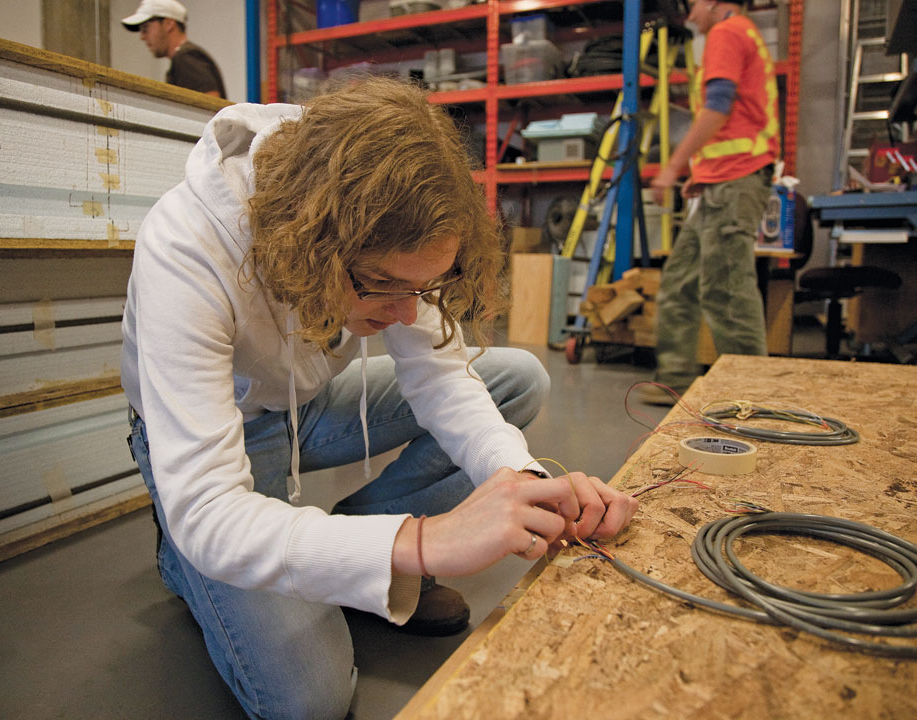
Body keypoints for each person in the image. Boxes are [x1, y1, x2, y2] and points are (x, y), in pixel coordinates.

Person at [122, 77, 639, 719]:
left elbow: (444, 380)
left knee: (517, 380)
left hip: (303, 403)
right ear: (310, 241)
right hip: (209, 441)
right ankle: (185, 563)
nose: (403, 314)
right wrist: (422, 542)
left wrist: (527, 483)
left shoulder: (389, 223)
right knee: (310, 701)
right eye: (381, 287)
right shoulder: (187, 244)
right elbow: (207, 507)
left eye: (421, 289)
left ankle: (352, 549)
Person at [643, 0, 778, 405]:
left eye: (693, 5)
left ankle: (748, 393)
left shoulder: (727, 32)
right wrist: (702, 174)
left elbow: (719, 107)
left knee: (728, 290)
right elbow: (736, 116)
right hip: (723, 180)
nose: (689, 13)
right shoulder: (742, 34)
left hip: (737, 180)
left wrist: (673, 167)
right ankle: (675, 381)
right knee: (680, 282)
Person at [121, 0, 226, 98]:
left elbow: (210, 105)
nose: (142, 36)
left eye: (146, 28)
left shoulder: (186, 57)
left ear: (168, 24)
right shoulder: (184, 57)